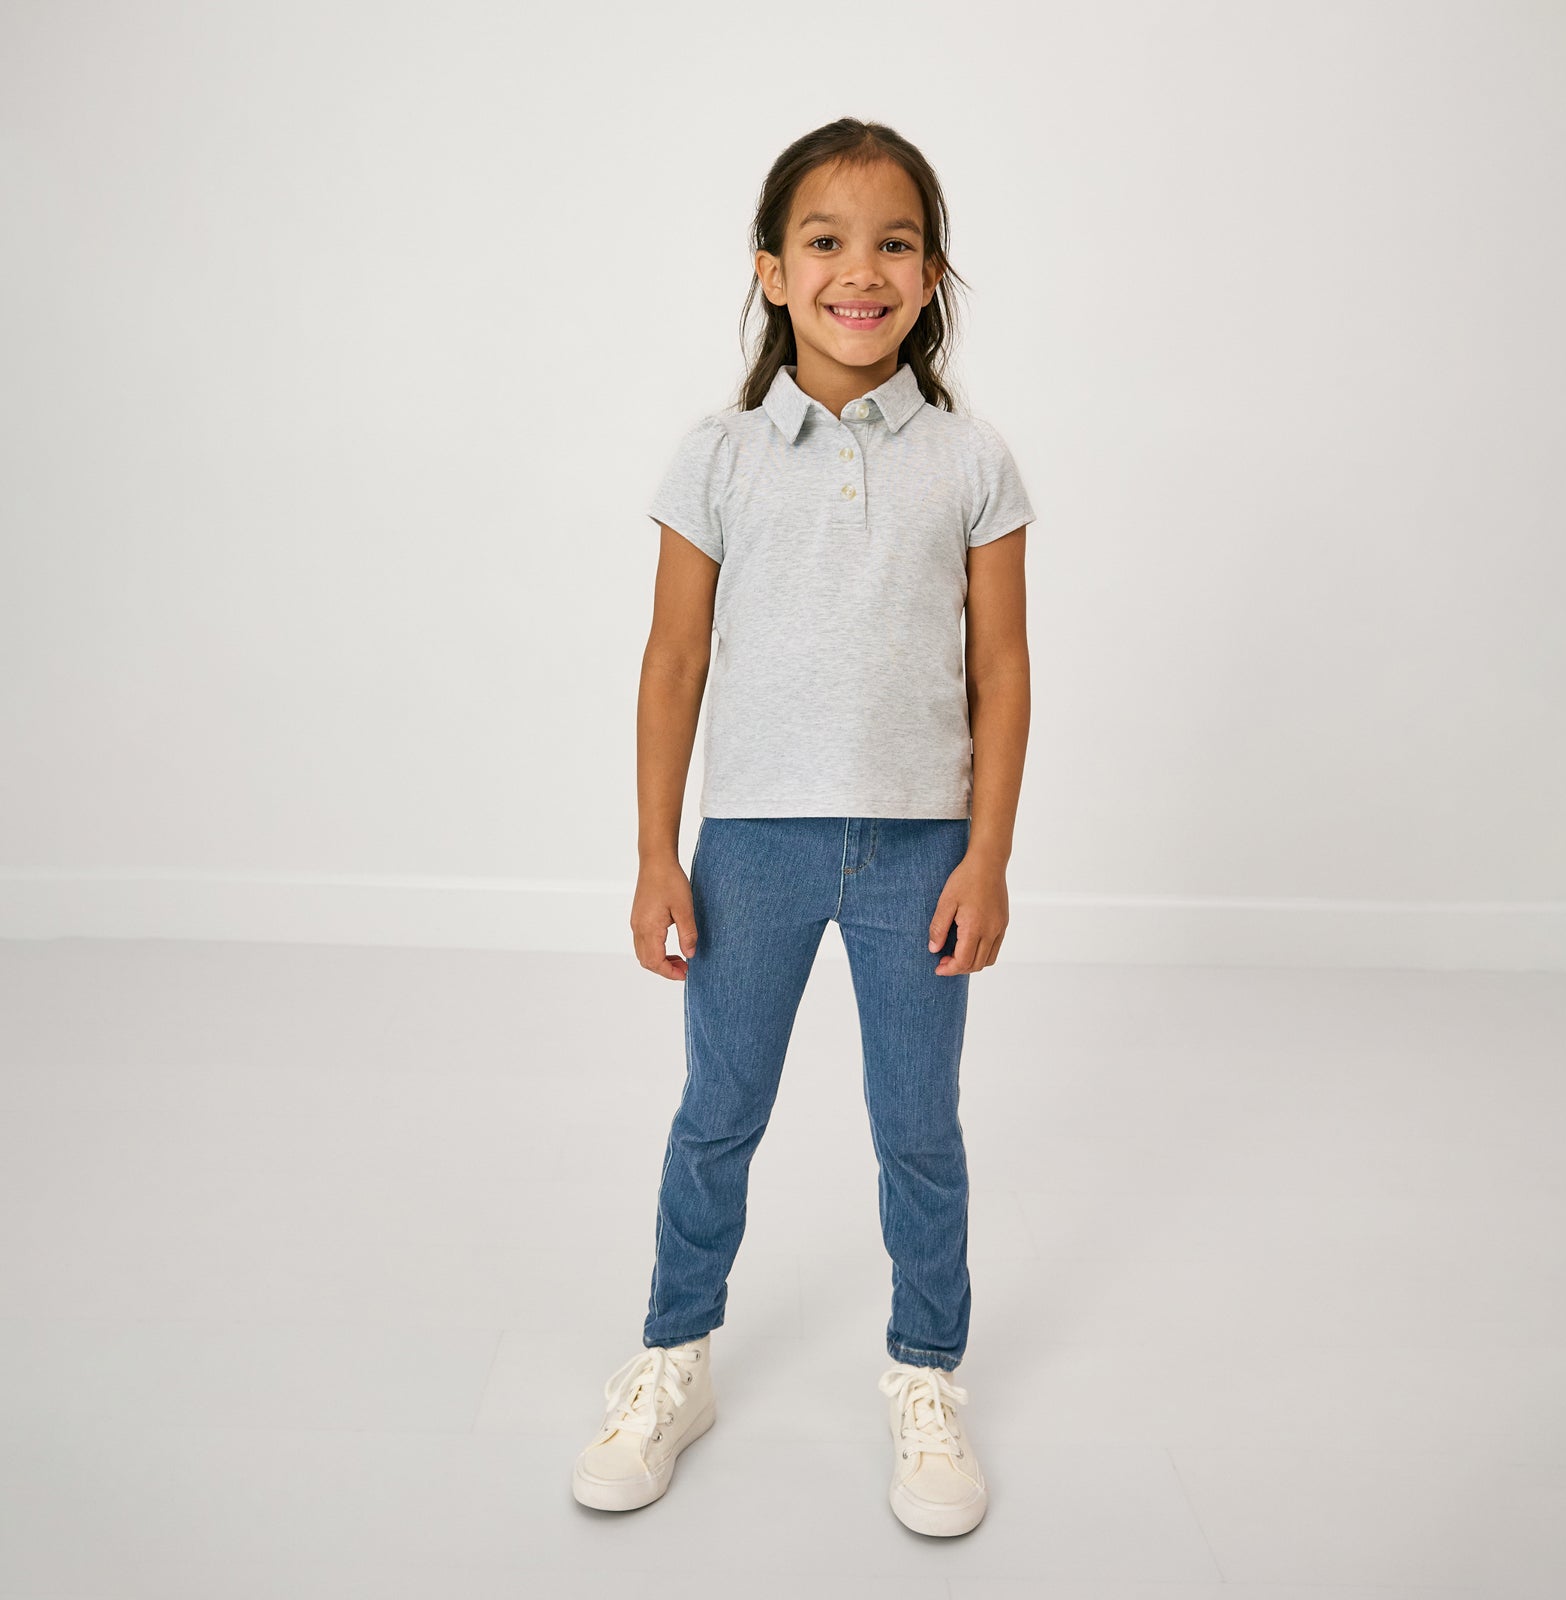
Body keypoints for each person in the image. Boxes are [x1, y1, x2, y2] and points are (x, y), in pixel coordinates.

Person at [571, 116, 1034, 1538]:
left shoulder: (971, 460)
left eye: (895, 243)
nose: (861, 270)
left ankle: (928, 1374)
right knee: (718, 1113)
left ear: (932, 273)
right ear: (772, 270)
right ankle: (675, 1356)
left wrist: (988, 857)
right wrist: (657, 853)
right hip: (752, 852)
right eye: (825, 241)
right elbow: (672, 662)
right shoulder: (717, 456)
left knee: (919, 1129)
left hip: (920, 854)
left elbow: (1004, 669)